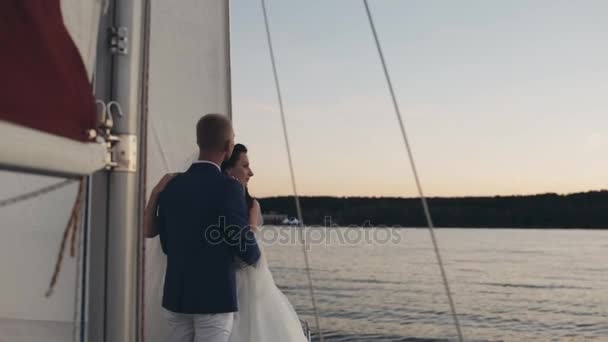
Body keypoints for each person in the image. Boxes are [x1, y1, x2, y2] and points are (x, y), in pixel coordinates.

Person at [145, 113, 261, 342]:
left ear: (199, 142)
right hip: (214, 300)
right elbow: (248, 251)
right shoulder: (229, 188)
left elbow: (161, 240)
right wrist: (253, 228)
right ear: (229, 146)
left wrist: (155, 194)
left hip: (176, 297)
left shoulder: (172, 185)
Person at [221, 143, 309, 342]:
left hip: (249, 281)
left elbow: (249, 245)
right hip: (231, 282)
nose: (250, 172)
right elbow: (248, 246)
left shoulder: (252, 205)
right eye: (244, 166)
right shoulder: (224, 203)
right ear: (228, 170)